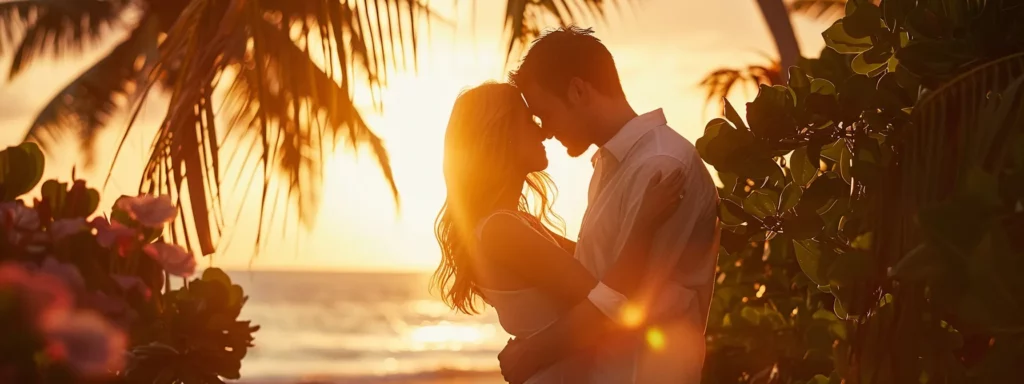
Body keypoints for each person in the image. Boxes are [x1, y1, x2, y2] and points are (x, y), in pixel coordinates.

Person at [497, 26, 721, 383]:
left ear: (577, 90)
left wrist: (532, 351)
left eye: (546, 114)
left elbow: (625, 306)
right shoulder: (611, 164)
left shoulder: (660, 167)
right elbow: (600, 280)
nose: (547, 131)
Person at [432, 81, 686, 383]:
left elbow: (599, 266)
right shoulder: (502, 230)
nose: (542, 131)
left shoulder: (515, 223)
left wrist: (535, 350)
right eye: (529, 121)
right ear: (503, 137)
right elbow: (608, 303)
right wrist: (642, 225)